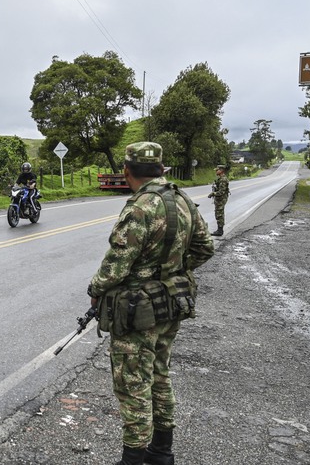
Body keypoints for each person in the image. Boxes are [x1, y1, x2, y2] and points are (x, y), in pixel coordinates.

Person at [87, 142, 215, 465]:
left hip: (138, 313)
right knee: (160, 374)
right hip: (170, 305)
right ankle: (161, 453)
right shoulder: (182, 200)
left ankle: (133, 459)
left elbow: (114, 267)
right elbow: (204, 247)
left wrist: (95, 289)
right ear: (161, 169)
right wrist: (172, 271)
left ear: (127, 172)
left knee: (132, 383)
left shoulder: (141, 208)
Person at [208, 164, 230, 236]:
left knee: (219, 214)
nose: (216, 171)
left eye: (217, 170)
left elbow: (221, 192)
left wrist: (213, 193)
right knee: (218, 214)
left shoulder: (223, 179)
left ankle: (220, 231)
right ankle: (219, 229)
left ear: (221, 171)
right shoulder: (220, 179)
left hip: (221, 199)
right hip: (219, 199)